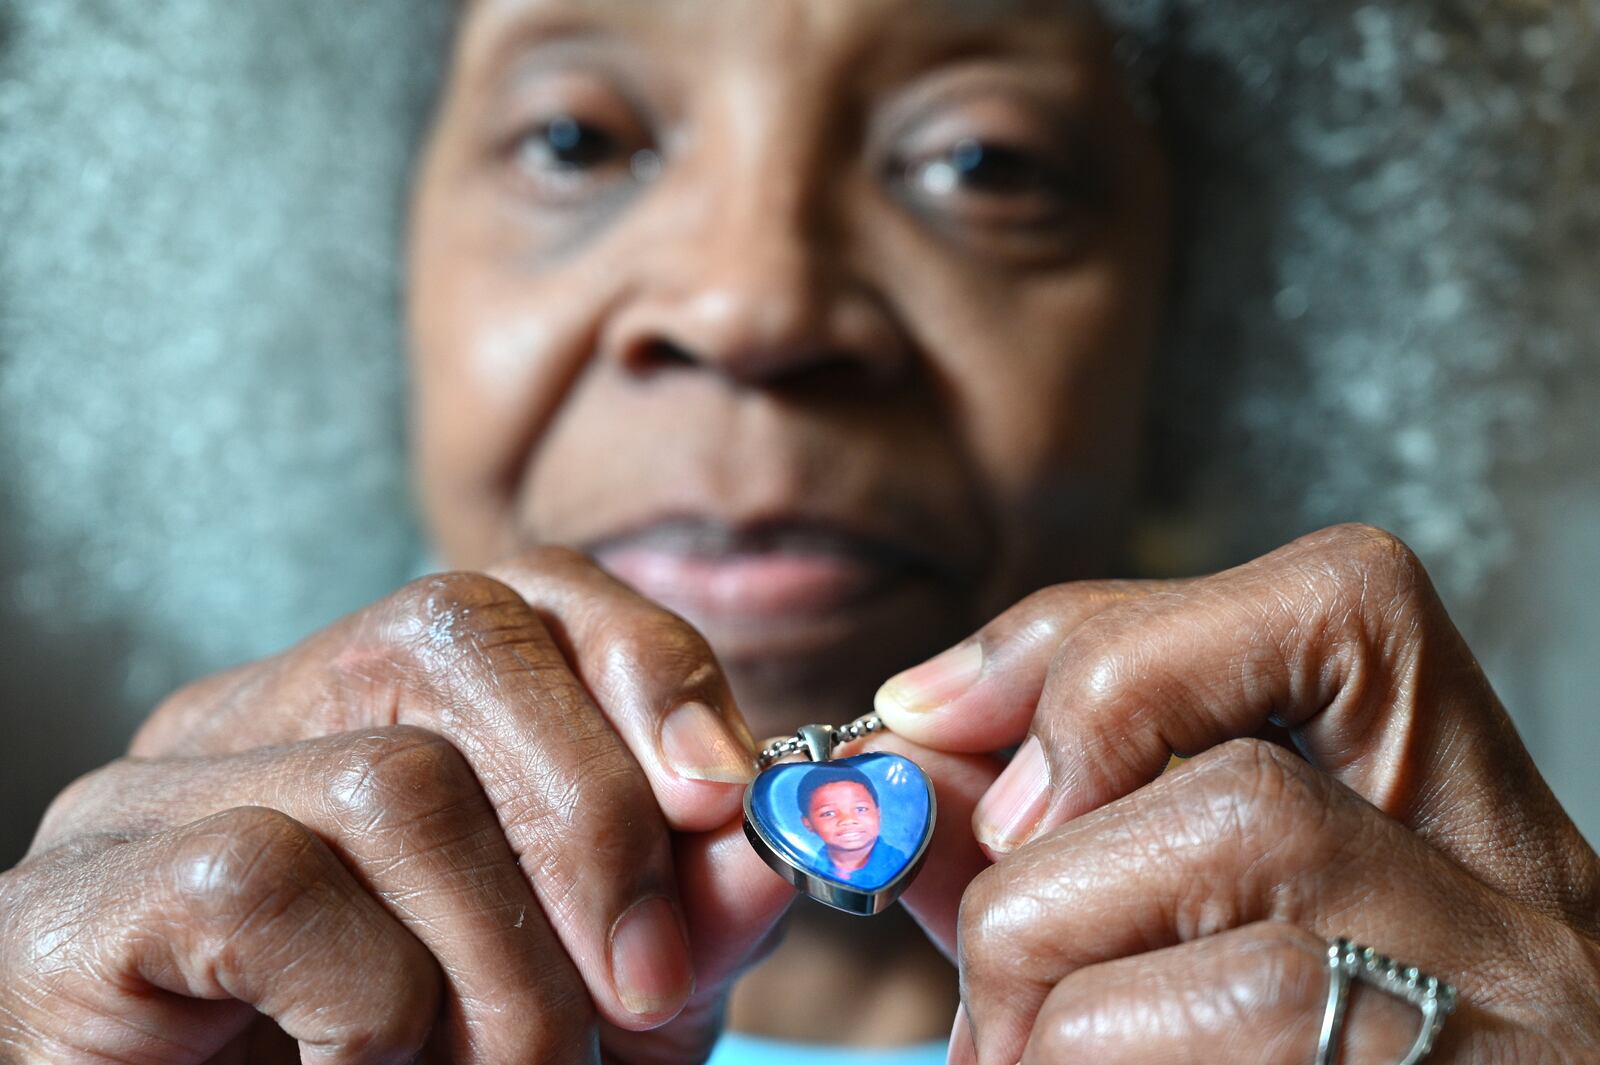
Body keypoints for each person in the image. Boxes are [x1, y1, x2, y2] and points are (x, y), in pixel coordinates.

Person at [1, 0, 1596, 1062]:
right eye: (576, 140)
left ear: (1212, 331)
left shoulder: (1487, 999)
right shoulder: (174, 1013)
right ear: (365, 266)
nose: (753, 304)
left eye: (982, 164)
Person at [795, 767, 907, 887]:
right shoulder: (808, 869)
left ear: (878, 813)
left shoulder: (899, 865)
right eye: (829, 813)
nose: (848, 820)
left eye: (860, 809)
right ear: (808, 823)